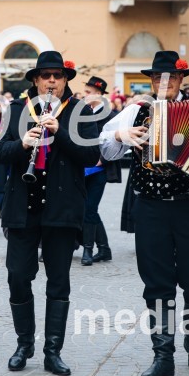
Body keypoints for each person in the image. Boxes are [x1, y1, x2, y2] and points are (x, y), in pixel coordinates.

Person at [100, 50, 189, 376]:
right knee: (157, 282)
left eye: (171, 77)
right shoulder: (135, 111)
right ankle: (163, 355)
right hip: (151, 207)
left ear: (180, 80)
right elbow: (104, 145)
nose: (165, 83)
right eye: (159, 78)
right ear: (151, 81)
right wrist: (121, 136)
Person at [0, 51, 100, 376]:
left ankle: (52, 351)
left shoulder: (80, 111)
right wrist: (22, 144)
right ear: (36, 80)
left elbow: (91, 155)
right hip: (22, 209)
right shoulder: (15, 110)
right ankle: (24, 343)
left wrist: (62, 133)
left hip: (61, 209)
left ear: (66, 79)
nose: (51, 81)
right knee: (17, 277)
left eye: (57, 75)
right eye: (45, 75)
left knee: (59, 282)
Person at [80, 76, 121, 266]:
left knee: (89, 209)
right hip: (82, 167)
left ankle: (88, 249)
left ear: (98, 94)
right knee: (88, 209)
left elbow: (119, 144)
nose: (84, 95)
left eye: (88, 93)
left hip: (99, 169)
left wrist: (101, 159)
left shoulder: (111, 116)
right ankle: (104, 249)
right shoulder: (80, 113)